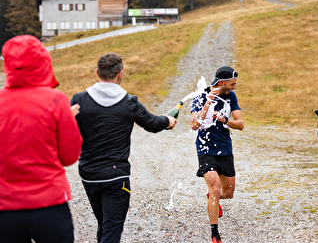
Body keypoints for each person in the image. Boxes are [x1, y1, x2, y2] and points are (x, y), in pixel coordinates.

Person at [70, 53, 176, 243]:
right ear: (120, 74)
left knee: (105, 225)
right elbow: (152, 123)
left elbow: (62, 126)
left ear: (97, 73)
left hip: (88, 174)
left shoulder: (79, 100)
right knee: (111, 230)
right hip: (116, 176)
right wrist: (167, 121)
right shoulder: (129, 103)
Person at [0, 35, 83, 243]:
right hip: (49, 206)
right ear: (44, 61)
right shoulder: (56, 101)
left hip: (5, 208)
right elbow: (69, 156)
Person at [191, 66, 244, 243]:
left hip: (225, 148)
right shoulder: (200, 96)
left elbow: (240, 124)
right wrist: (209, 101)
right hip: (205, 148)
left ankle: (212, 198)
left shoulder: (231, 97)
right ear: (221, 83)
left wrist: (224, 120)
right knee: (215, 188)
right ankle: (215, 235)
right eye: (232, 84)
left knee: (228, 192)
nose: (234, 87)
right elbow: (195, 125)